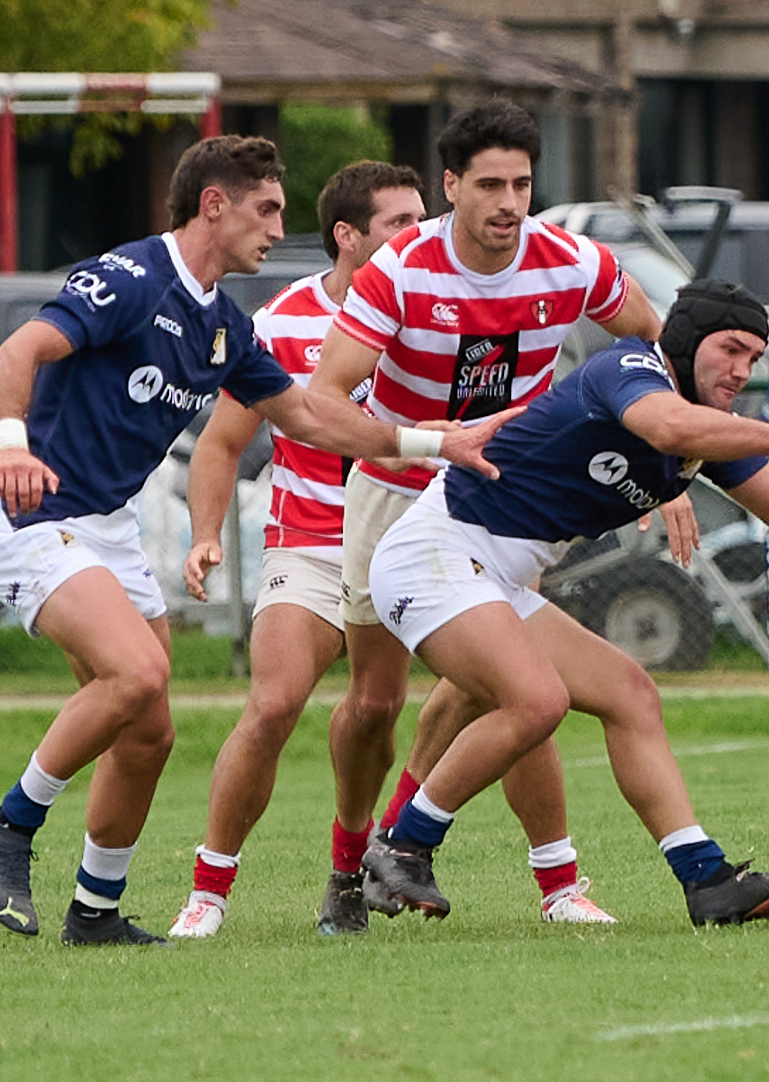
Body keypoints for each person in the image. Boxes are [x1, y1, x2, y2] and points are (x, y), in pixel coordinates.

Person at [0, 136, 510, 945]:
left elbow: (309, 415)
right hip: (35, 511)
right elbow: (20, 347)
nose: (278, 226)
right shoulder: (133, 277)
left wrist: (433, 441)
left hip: (109, 526)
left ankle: (94, 910)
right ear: (214, 205)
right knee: (137, 673)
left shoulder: (226, 328)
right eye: (265, 208)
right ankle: (10, 829)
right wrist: (11, 444)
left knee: (150, 730)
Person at [307, 102, 663, 930]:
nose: (509, 201)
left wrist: (663, 469)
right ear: (451, 186)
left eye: (523, 184)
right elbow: (324, 400)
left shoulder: (570, 260)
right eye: (492, 184)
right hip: (396, 490)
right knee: (374, 704)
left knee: (513, 688)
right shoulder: (399, 269)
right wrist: (434, 439)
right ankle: (352, 864)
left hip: (507, 499)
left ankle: (557, 884)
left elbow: (647, 342)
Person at [361, 280, 769, 925]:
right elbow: (666, 424)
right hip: (432, 553)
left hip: (493, 576)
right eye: (730, 349)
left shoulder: (710, 428)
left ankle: (706, 881)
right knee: (537, 700)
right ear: (684, 343)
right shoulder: (630, 365)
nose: (742, 370)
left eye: (753, 358)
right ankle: (402, 844)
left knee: (631, 694)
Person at [168, 160, 432, 939]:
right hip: (312, 541)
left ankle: (360, 869)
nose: (419, 238)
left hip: (412, 541)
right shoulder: (281, 323)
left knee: (478, 695)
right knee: (276, 701)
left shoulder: (445, 312)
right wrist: (208, 535)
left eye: (424, 220)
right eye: (400, 224)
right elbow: (219, 444)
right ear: (349, 237)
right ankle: (207, 892)